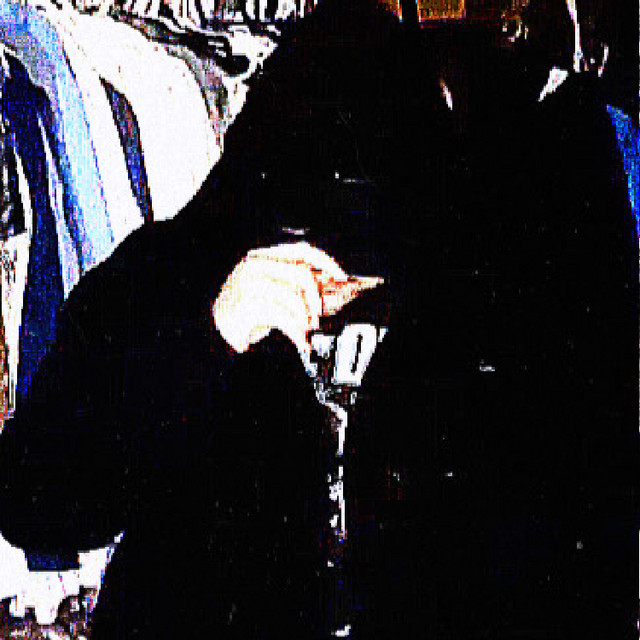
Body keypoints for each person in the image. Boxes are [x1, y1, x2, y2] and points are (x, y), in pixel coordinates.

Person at [0, 0, 637, 637]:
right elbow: (34, 503)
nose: (336, 272)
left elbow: (585, 541)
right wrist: (210, 340)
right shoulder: (174, 273)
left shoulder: (499, 296)